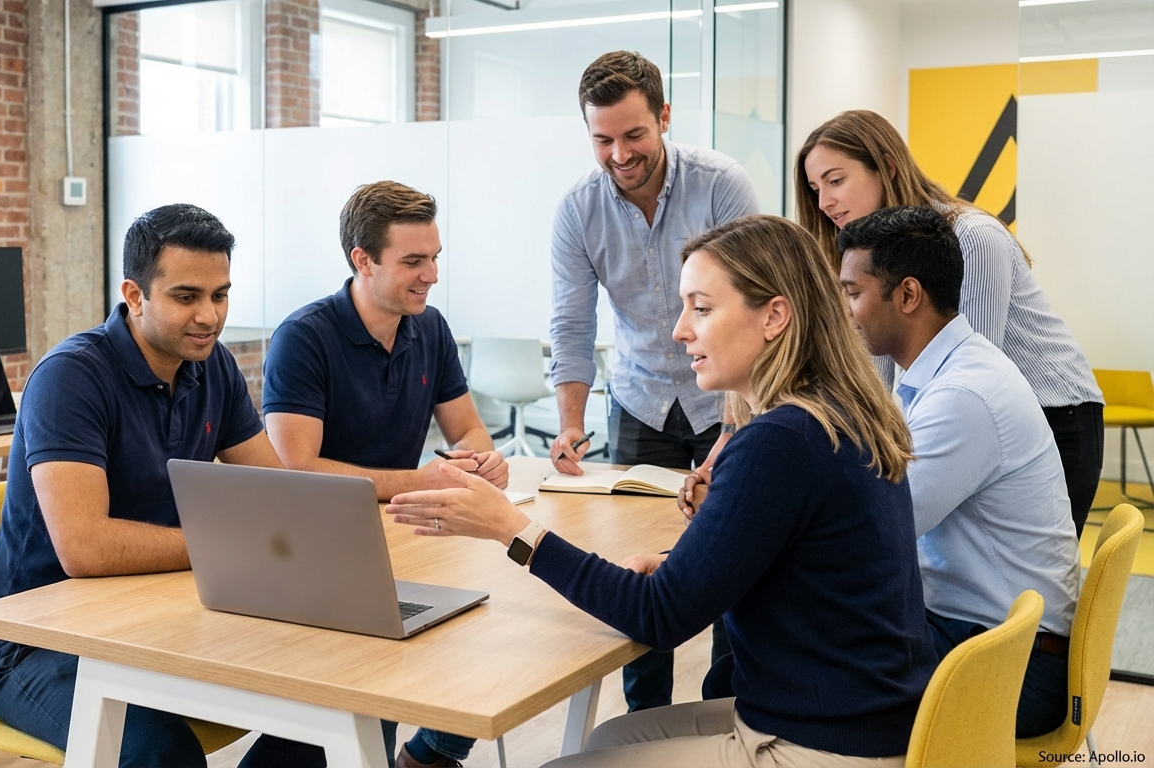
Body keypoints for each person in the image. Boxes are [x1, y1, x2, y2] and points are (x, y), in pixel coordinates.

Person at [387, 215, 938, 767]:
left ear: (774, 316)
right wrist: (682, 562)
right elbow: (795, 553)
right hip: (859, 717)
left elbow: (658, 618)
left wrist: (510, 527)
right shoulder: (830, 417)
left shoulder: (781, 441)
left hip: (825, 743)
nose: (680, 330)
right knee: (607, 741)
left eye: (701, 307)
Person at [0, 203, 285, 768]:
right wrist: (233, 545)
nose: (210, 317)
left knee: (354, 696)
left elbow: (276, 498)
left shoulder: (212, 366)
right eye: (187, 297)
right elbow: (85, 548)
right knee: (160, 754)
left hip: (155, 619)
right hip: (39, 644)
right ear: (136, 295)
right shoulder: (71, 377)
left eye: (220, 295)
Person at [260, 180, 504, 768]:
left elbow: (466, 430)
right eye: (414, 261)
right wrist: (418, 482)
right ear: (362, 260)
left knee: (492, 639)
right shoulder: (305, 337)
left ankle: (426, 758)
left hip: (406, 537)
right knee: (368, 697)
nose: (432, 274)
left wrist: (480, 458)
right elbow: (297, 469)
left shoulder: (431, 327)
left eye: (436, 257)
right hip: (318, 548)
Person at [546, 48, 760, 713]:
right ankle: (649, 720)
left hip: (724, 395)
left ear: (664, 117)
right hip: (640, 398)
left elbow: (752, 311)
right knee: (638, 561)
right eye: (602, 139)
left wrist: (731, 433)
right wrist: (571, 423)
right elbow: (571, 322)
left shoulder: (721, 184)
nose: (619, 153)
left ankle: (727, 706)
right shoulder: (578, 210)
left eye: (633, 134)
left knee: (735, 553)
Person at [796, 109, 1104, 535]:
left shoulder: (971, 237)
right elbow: (882, 359)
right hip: (964, 414)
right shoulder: (872, 255)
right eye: (815, 189)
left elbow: (973, 370)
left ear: (886, 167)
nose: (824, 202)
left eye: (835, 180)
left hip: (1054, 412)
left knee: (1009, 570)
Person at [838, 205, 1080, 738]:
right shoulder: (943, 373)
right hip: (988, 637)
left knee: (784, 657)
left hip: (1012, 669)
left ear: (907, 295)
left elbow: (872, 531)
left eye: (853, 293)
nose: (844, 312)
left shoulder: (962, 396)